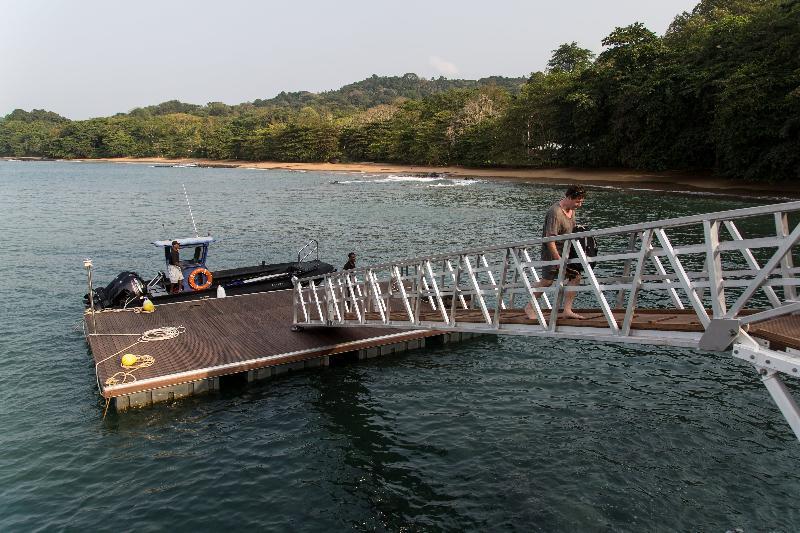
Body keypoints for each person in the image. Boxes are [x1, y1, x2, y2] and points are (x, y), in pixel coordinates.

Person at [525, 185, 587, 320]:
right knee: (547, 281)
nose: (580, 205)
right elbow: (549, 238)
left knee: (575, 277)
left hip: (566, 252)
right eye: (577, 201)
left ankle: (567, 310)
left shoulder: (571, 210)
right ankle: (529, 307)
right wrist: (557, 258)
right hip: (552, 252)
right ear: (569, 197)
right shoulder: (555, 212)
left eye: (581, 201)